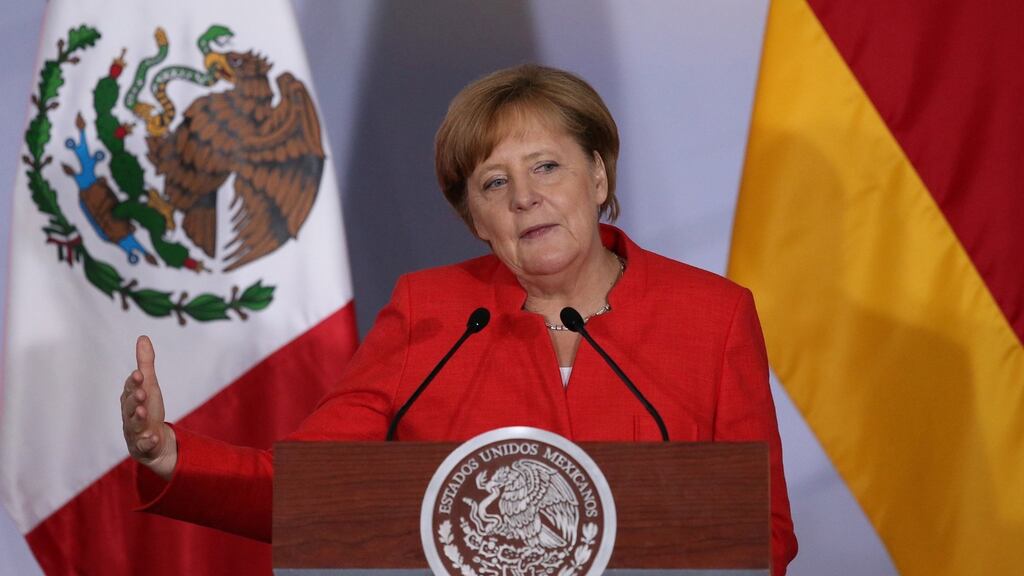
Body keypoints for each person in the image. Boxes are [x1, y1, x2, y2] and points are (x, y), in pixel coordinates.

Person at [121, 64, 798, 573]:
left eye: (546, 167)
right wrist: (169, 455)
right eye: (495, 184)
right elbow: (315, 487)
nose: (526, 199)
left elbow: (762, 530)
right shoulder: (432, 313)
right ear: (476, 219)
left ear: (596, 177)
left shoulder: (713, 316)